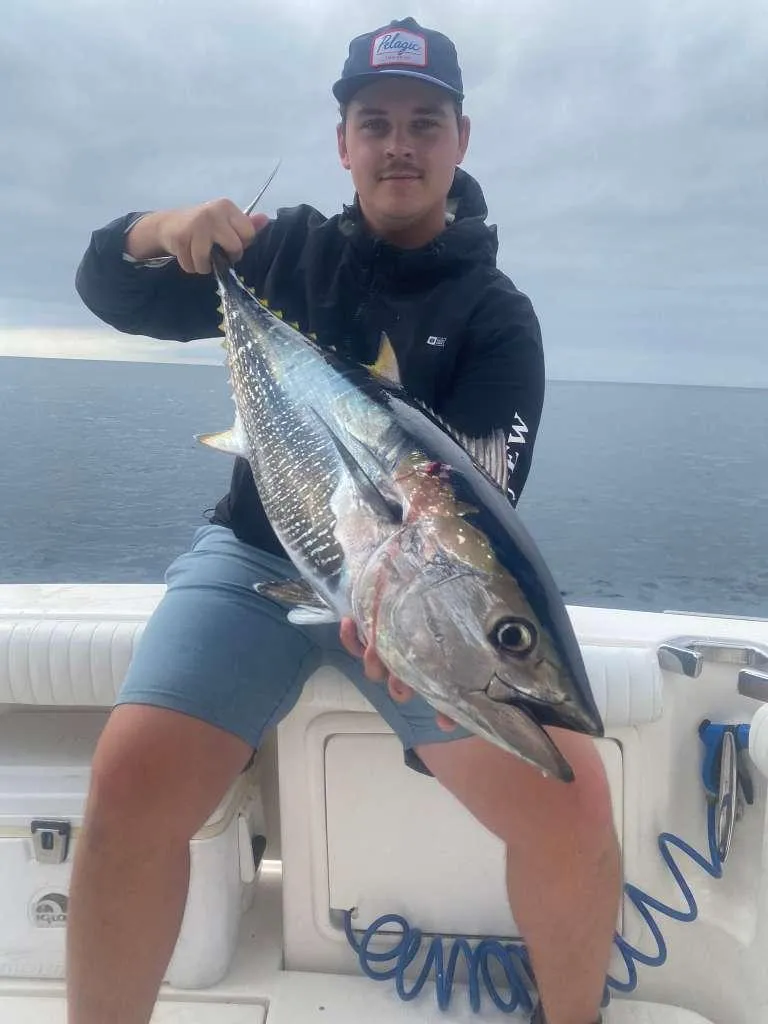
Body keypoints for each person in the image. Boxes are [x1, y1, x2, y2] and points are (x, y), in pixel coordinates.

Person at [69, 16, 620, 1024]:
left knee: (575, 804)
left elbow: (479, 509)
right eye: (376, 122)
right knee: (128, 779)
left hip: (415, 600)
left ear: (461, 139)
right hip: (254, 557)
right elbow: (106, 284)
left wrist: (410, 615)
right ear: (343, 143)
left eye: (424, 122)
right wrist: (166, 228)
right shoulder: (278, 259)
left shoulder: (498, 316)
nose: (399, 144)